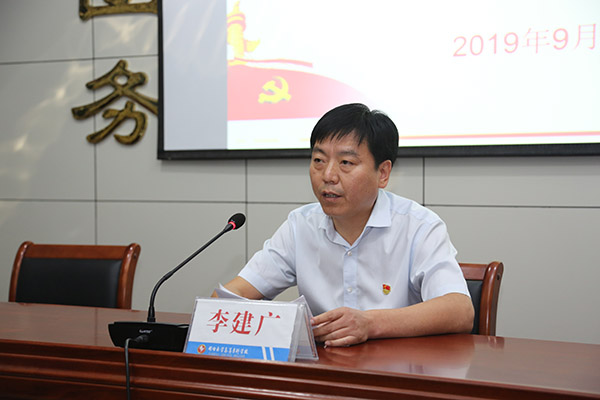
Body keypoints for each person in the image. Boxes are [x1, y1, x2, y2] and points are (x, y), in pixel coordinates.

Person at [219, 103, 474, 347]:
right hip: (324, 369)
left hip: (398, 369)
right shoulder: (301, 225)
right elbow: (231, 296)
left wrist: (370, 324)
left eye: (346, 163)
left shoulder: (418, 226)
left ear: (383, 173)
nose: (328, 175)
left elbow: (459, 310)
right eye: (319, 160)